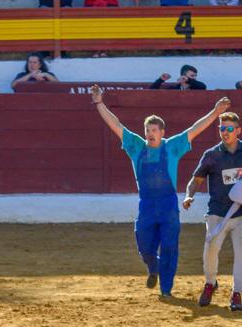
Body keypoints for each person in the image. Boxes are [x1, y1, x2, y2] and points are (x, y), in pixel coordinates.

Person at [90, 84, 231, 299]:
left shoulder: (172, 146)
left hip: (167, 206)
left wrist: (215, 112)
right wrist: (99, 102)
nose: (150, 134)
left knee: (169, 247)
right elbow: (115, 124)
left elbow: (194, 129)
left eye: (154, 130)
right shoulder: (136, 146)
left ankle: (166, 289)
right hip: (146, 205)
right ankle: (153, 267)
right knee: (144, 246)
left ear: (162, 132)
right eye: (147, 130)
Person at [183, 110, 242, 311]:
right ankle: (210, 283)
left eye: (229, 128)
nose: (225, 132)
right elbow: (195, 180)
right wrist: (189, 195)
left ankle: (237, 293)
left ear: (238, 130)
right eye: (222, 128)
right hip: (217, 211)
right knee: (211, 249)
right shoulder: (211, 155)